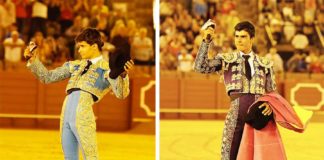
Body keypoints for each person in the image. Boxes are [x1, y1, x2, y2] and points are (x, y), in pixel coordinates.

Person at [194, 21, 309, 160]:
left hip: (258, 117)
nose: (239, 40)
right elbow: (200, 67)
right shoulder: (227, 60)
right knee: (230, 154)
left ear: (252, 39)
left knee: (257, 155)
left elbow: (272, 93)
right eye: (236, 36)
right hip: (236, 116)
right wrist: (206, 41)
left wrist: (269, 106)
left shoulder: (265, 64)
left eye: (243, 36)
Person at [24, 28, 134, 159]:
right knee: (69, 157)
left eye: (82, 46)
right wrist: (33, 60)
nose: (79, 50)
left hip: (83, 113)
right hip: (65, 113)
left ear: (94, 46)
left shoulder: (108, 68)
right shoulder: (75, 65)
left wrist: (122, 75)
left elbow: (121, 94)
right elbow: (47, 77)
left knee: (90, 156)